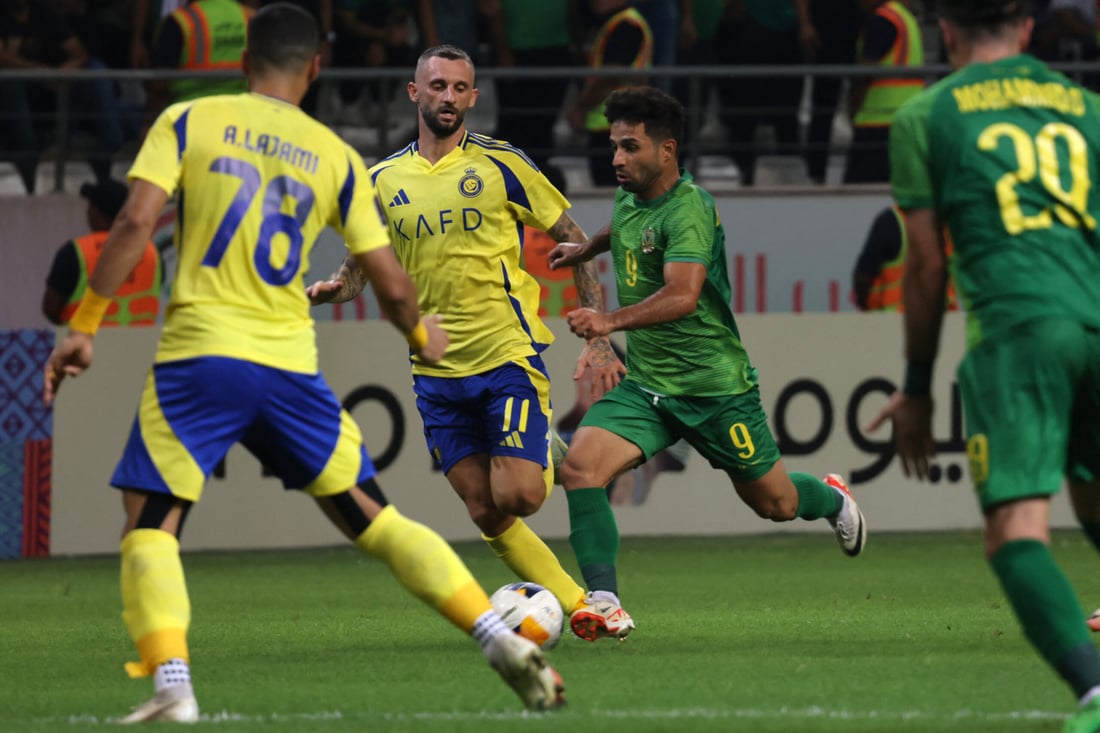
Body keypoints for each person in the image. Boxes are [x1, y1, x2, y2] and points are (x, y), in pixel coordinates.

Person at [41, 4, 565, 722]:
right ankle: (495, 635)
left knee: (150, 523)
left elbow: (134, 222)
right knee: (377, 521)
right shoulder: (335, 155)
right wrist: (418, 333)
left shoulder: (188, 122)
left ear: (242, 62)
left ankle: (173, 684)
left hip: (202, 356)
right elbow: (390, 279)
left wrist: (85, 326)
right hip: (289, 367)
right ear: (315, 67)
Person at [308, 44, 628, 640]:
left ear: (473, 97)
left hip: (505, 354)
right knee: (484, 509)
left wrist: (600, 332)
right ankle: (584, 606)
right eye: (438, 86)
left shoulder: (503, 164)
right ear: (414, 93)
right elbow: (360, 266)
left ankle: (545, 448)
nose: (448, 97)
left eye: (459, 88)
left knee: (521, 496)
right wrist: (337, 288)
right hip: (434, 371)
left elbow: (577, 241)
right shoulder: (381, 180)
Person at [547, 85, 867, 641]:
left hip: (715, 391)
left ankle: (832, 497)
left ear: (667, 150)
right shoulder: (631, 195)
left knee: (776, 503)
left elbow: (683, 295)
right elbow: (623, 229)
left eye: (630, 147)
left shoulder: (690, 208)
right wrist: (586, 249)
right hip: (648, 387)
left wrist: (608, 322)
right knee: (580, 469)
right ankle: (604, 600)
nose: (617, 158)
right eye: (614, 146)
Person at [867, 2, 1100, 731]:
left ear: (945, 31)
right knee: (1095, 506)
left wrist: (916, 388)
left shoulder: (925, 116)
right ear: (1026, 29)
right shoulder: (1089, 108)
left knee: (1016, 531)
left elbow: (926, 266)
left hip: (1020, 328)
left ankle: (1095, 695)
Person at [42, 178, 162, 327]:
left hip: (85, 338)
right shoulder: (152, 253)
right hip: (141, 340)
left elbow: (51, 308)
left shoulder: (74, 252)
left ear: (95, 213)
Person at [843, 0, 925, 184]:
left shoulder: (882, 20)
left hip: (876, 122)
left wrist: (853, 109)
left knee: (857, 191)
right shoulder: (904, 17)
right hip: (906, 120)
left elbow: (863, 76)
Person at [852, 203, 958, 312]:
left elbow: (863, 278)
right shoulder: (951, 222)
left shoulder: (890, 221)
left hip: (895, 318)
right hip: (944, 319)